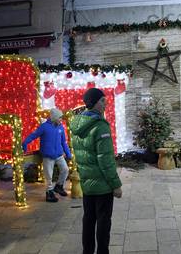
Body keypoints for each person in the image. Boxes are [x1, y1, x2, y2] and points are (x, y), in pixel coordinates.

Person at [70, 88, 122, 254]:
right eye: (102, 101)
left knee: (88, 220)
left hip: (87, 185)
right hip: (102, 186)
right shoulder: (100, 126)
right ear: (93, 103)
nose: (105, 105)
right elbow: (105, 160)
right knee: (103, 222)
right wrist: (116, 185)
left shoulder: (77, 125)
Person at [22, 108, 71, 202]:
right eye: (60, 117)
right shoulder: (44, 127)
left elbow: (64, 142)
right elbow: (33, 135)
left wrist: (68, 153)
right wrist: (25, 143)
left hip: (59, 155)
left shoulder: (60, 127)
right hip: (48, 156)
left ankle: (59, 186)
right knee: (49, 176)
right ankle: (49, 193)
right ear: (54, 117)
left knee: (65, 170)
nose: (61, 119)